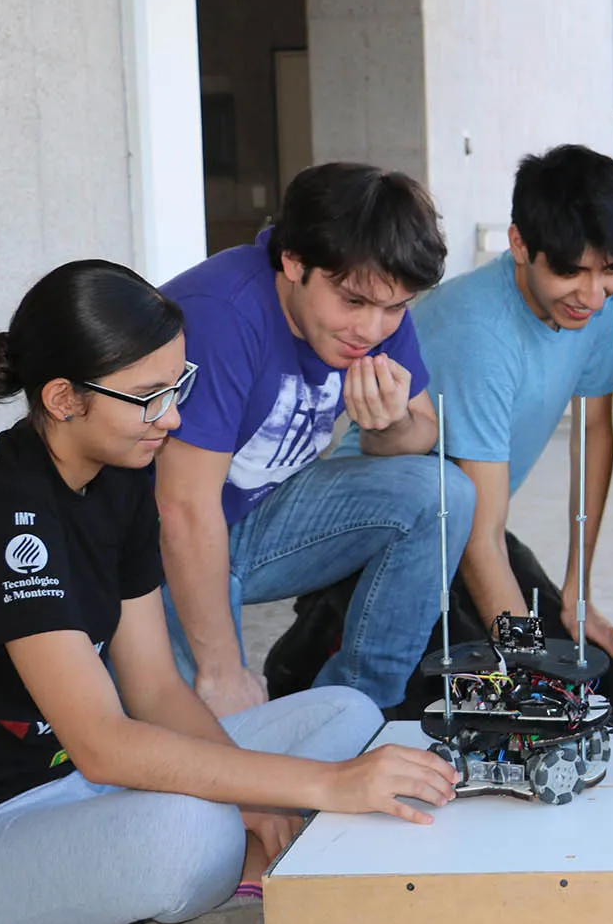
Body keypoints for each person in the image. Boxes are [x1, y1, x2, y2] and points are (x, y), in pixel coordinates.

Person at [0, 261, 457, 924]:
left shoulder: (115, 480)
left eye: (178, 387)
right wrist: (319, 787)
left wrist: (256, 790)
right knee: (192, 828)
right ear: (62, 398)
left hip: (61, 789)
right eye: (148, 398)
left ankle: (231, 880)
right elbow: (107, 746)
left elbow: (154, 690)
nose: (173, 418)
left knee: (344, 713)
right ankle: (221, 886)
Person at [315, 144, 613, 720]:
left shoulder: (591, 306)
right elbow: (478, 539)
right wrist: (533, 673)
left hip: (463, 526)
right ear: (519, 245)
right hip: (377, 540)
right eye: (570, 271)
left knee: (605, 691)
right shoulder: (479, 334)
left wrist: (577, 595)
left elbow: (593, 432)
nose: (592, 295)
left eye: (610, 269)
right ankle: (319, 640)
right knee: (475, 709)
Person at [155, 163, 474, 718]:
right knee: (215, 741)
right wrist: (223, 670)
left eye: (395, 307)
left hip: (256, 511)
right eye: (353, 302)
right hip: (154, 538)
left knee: (444, 492)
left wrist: (388, 423)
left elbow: (421, 430)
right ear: (294, 262)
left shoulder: (375, 305)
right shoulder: (222, 315)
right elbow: (180, 508)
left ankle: (355, 712)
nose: (372, 331)